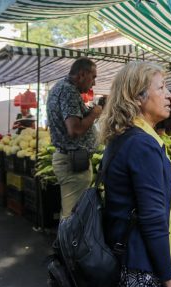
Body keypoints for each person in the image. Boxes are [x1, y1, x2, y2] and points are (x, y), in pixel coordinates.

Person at [97, 61, 171, 287]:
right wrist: (169, 283)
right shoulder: (141, 144)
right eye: (162, 88)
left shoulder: (128, 137)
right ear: (137, 97)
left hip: (129, 258)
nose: (169, 94)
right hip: (143, 264)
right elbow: (153, 219)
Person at [46, 57, 102, 219]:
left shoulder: (61, 88)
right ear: (82, 75)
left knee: (74, 211)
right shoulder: (68, 91)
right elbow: (75, 130)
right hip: (73, 162)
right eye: (93, 77)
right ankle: (69, 243)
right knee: (73, 214)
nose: (94, 83)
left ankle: (71, 241)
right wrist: (94, 114)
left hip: (73, 160)